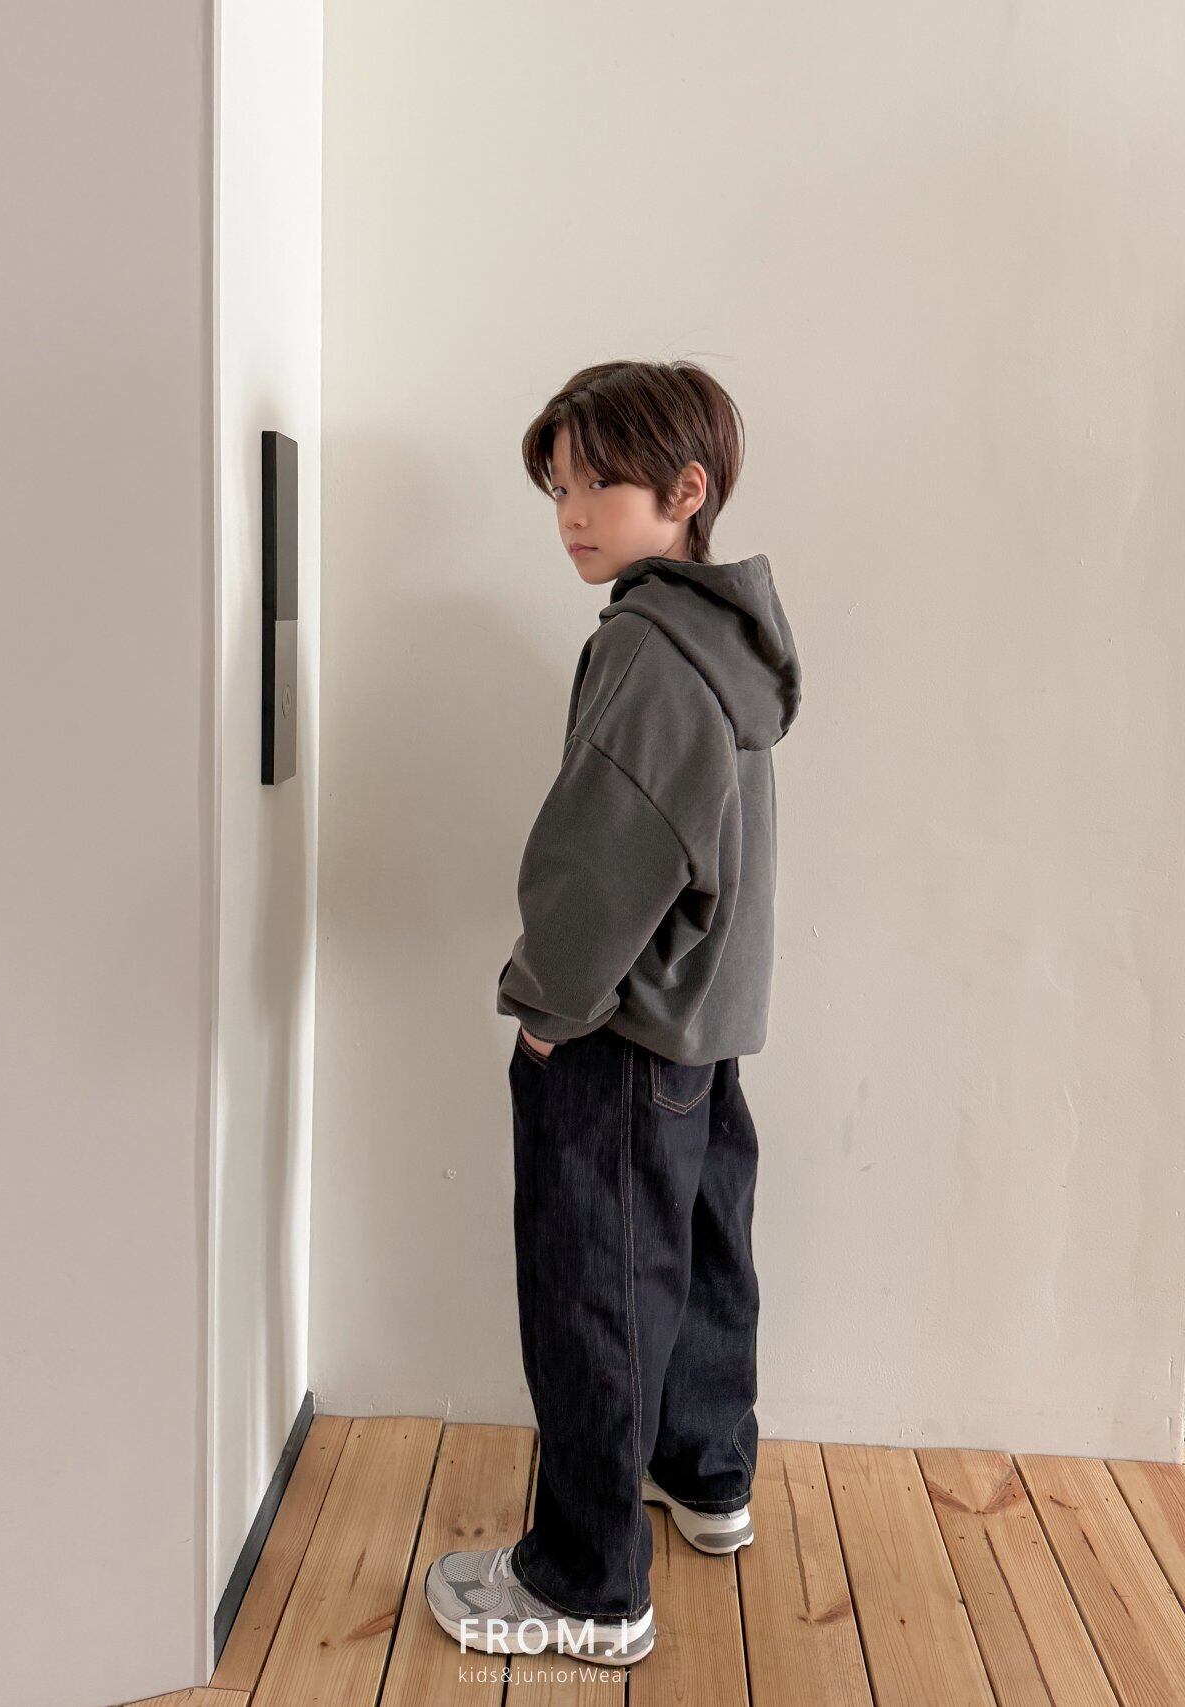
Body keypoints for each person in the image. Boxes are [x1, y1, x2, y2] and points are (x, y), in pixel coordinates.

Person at [425, 358, 802, 1667]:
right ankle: (705, 1475)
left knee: (595, 1291)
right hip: (707, 1020)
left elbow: (602, 858)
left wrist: (547, 1008)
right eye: (559, 489)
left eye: (600, 485)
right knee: (697, 1257)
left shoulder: (646, 646)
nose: (572, 514)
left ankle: (589, 1589)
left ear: (686, 490)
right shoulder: (732, 643)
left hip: (624, 1029)